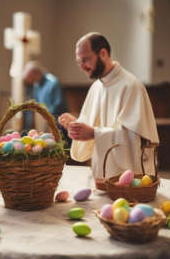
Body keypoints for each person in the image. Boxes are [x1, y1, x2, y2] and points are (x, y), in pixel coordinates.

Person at [59, 32, 159, 190]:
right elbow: (90, 126)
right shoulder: (96, 87)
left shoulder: (131, 86)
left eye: (85, 60)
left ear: (103, 53)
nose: (82, 66)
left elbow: (135, 138)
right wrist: (76, 125)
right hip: (100, 177)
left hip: (130, 182)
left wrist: (94, 133)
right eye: (79, 61)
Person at [23, 61, 70, 145]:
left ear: (35, 73)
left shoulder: (53, 82)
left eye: (30, 77)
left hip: (56, 121)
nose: (29, 81)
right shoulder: (36, 84)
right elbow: (37, 102)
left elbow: (58, 104)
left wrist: (46, 116)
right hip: (44, 120)